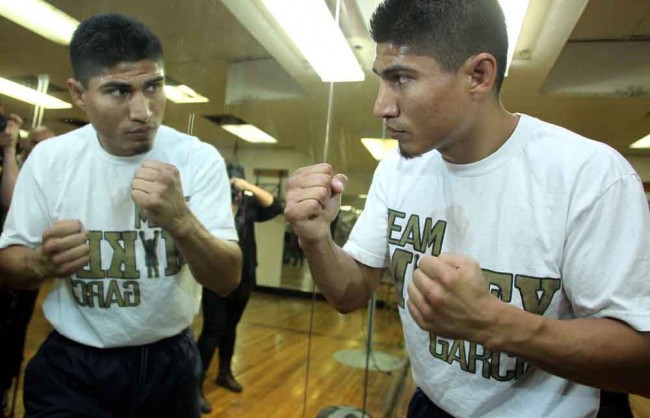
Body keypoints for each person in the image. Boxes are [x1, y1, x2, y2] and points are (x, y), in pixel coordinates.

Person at [283, 1, 650, 417]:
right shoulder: (398, 172)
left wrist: (495, 324)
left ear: (478, 75)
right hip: (433, 406)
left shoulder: (589, 175)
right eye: (381, 81)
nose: (381, 106)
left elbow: (641, 363)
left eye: (401, 78)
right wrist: (315, 239)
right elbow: (351, 293)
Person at [0, 13, 242, 418]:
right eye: (118, 91)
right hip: (73, 364)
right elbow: (8, 264)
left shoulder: (197, 159)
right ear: (79, 94)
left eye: (154, 87)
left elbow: (227, 278)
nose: (144, 111)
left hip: (169, 360)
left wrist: (181, 221)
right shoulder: (50, 159)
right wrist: (41, 261)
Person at [196, 164, 283, 413]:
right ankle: (194, 385)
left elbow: (275, 206)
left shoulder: (250, 207)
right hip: (216, 277)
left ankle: (224, 373)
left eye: (236, 183)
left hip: (244, 277)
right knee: (213, 330)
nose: (233, 188)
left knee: (230, 328)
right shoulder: (210, 207)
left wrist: (247, 187)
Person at [0, 122, 54, 417]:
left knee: (13, 335)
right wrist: (9, 151)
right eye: (36, 145)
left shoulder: (48, 177)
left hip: (26, 270)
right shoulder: (13, 165)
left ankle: (4, 391)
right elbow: (10, 199)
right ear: (26, 145)